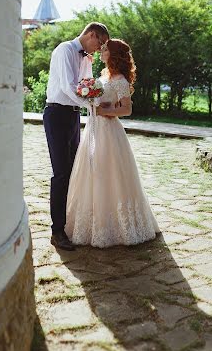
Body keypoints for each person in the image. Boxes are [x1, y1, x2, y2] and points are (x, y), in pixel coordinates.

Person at [65, 38, 159, 247]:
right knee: (92, 171)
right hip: (93, 128)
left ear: (113, 54)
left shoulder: (121, 81)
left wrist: (105, 111)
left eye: (105, 49)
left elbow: (127, 109)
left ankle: (119, 226)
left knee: (110, 173)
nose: (101, 51)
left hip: (109, 131)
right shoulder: (103, 75)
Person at [43, 22, 110, 251]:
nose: (98, 49)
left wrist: (95, 99)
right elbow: (68, 86)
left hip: (73, 116)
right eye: (99, 43)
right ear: (91, 35)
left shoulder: (85, 58)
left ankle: (69, 223)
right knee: (61, 173)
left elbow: (87, 86)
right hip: (57, 114)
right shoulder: (64, 50)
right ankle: (57, 231)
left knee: (74, 171)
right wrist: (91, 107)